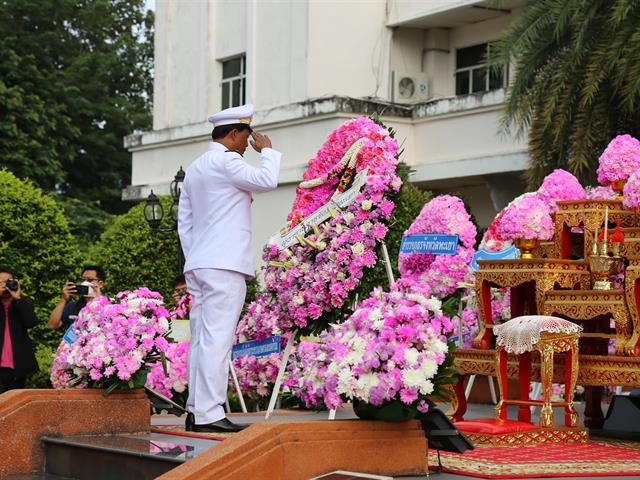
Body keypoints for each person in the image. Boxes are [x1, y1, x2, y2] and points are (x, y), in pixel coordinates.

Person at [178, 103, 280, 433]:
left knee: (201, 340)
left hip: (200, 263)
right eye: (247, 136)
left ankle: (196, 410)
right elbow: (267, 180)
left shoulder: (196, 167)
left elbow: (186, 222)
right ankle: (209, 414)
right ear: (234, 134)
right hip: (223, 264)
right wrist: (268, 152)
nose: (249, 143)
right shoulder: (227, 160)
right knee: (217, 340)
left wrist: (196, 257)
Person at [0, 267, 38, 393]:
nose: (4, 285)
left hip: (17, 367)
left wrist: (18, 298)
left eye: (7, 281)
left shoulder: (22, 303)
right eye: (0, 282)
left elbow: (31, 322)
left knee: (13, 407)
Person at [47, 265, 105, 330]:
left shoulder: (109, 307)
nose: (85, 283)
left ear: (100, 284)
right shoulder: (73, 306)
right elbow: (52, 325)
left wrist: (98, 300)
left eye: (90, 280)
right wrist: (63, 299)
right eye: (83, 280)